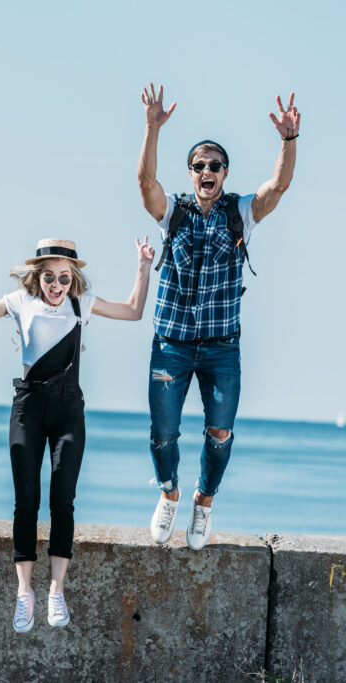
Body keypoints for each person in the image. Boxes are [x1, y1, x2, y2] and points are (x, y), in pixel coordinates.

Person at [0, 237, 154, 632]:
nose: (56, 286)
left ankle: (56, 590)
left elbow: (134, 312)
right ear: (38, 275)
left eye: (64, 278)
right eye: (49, 277)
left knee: (63, 498)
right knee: (25, 500)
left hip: (68, 410)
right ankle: (24, 593)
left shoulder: (82, 305)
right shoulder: (19, 301)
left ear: (72, 279)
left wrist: (143, 266)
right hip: (28, 409)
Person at [137, 84, 300, 550]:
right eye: (198, 166)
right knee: (164, 432)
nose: (206, 171)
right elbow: (146, 185)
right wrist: (152, 130)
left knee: (221, 432)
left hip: (222, 347)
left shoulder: (239, 213)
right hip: (171, 342)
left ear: (225, 172)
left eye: (214, 165)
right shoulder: (174, 215)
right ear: (190, 174)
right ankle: (169, 494)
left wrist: (288, 142)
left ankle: (203, 503)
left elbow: (279, 186)